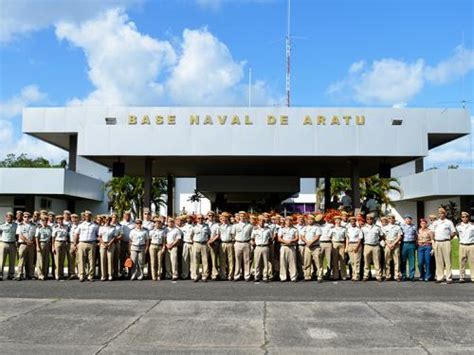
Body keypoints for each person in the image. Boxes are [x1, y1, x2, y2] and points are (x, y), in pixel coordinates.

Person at [432, 208, 456, 283]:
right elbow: (432, 232)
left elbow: (453, 232)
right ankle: (440, 277)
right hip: (438, 242)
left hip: (446, 242)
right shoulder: (435, 222)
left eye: (442, 213)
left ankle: (448, 278)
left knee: (448, 260)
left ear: (445, 214)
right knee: (439, 261)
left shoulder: (449, 222)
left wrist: (449, 238)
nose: (440, 214)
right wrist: (434, 240)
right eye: (439, 213)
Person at [74, 210, 99, 282]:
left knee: (91, 260)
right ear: (84, 216)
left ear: (91, 216)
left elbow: (98, 235)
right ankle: (82, 275)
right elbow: (76, 234)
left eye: (89, 215)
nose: (87, 217)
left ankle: (90, 276)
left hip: (92, 243)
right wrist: (75, 244)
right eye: (86, 215)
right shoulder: (81, 225)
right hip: (82, 243)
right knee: (81, 260)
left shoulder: (95, 225)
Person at [361, 213, 384, 282]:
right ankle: (366, 276)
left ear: (373, 220)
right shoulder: (363, 228)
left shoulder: (377, 228)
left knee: (377, 262)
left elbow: (381, 236)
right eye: (368, 219)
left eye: (371, 219)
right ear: (366, 220)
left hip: (376, 246)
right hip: (367, 246)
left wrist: (377, 241)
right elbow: (361, 237)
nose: (369, 220)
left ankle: (378, 276)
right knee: (366, 262)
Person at [232, 211, 253, 281]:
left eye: (244, 216)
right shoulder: (235, 226)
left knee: (246, 260)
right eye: (241, 216)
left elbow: (251, 235)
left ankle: (246, 276)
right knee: (237, 260)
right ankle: (236, 275)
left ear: (246, 217)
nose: (242, 217)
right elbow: (233, 235)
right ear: (239, 217)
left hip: (246, 243)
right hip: (238, 243)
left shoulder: (249, 226)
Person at [15, 212, 36, 280]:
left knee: (30, 260)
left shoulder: (33, 225)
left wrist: (32, 241)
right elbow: (20, 235)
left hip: (31, 245)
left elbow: (34, 235)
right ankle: (19, 275)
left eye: (28, 217)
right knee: (21, 260)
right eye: (25, 217)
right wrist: (27, 241)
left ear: (30, 218)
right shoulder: (20, 225)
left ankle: (29, 274)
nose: (26, 218)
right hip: (23, 244)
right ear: (23, 217)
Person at [301, 214, 322, 282]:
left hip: (315, 247)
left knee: (318, 262)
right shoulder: (305, 228)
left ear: (313, 220)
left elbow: (317, 236)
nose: (310, 220)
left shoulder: (317, 227)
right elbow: (302, 236)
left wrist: (311, 242)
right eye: (308, 219)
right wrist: (307, 242)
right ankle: (307, 276)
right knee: (307, 262)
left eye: (311, 219)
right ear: (307, 220)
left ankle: (319, 276)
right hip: (307, 247)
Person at [190, 214, 211, 282]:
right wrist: (195, 242)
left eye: (202, 218)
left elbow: (209, 235)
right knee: (195, 261)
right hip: (196, 244)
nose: (200, 219)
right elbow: (191, 236)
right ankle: (196, 276)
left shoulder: (206, 227)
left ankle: (204, 276)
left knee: (205, 261)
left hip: (204, 244)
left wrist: (207, 241)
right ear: (196, 219)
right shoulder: (194, 227)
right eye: (199, 218)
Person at [251, 215, 272, 282]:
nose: (262, 222)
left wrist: (268, 244)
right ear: (258, 222)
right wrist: (253, 243)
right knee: (257, 263)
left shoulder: (268, 230)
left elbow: (270, 239)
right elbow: (252, 238)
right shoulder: (255, 229)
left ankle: (265, 276)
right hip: (258, 247)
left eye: (263, 221)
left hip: (265, 246)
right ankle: (256, 276)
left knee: (266, 263)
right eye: (260, 221)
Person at [278, 216, 298, 282]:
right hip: (284, 246)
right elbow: (279, 238)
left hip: (292, 247)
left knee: (292, 263)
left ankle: (293, 277)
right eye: (287, 221)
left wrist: (292, 240)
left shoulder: (294, 229)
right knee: (283, 262)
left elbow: (297, 238)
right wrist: (285, 241)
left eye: (290, 221)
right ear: (285, 221)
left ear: (292, 222)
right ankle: (283, 277)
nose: (288, 222)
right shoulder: (281, 229)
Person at [382, 215, 402, 281]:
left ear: (394, 219)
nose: (391, 219)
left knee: (397, 261)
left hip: (395, 243)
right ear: (388, 219)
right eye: (389, 218)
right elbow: (383, 237)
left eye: (392, 218)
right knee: (387, 260)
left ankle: (397, 276)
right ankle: (388, 275)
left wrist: (393, 243)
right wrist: (388, 244)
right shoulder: (385, 227)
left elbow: (399, 236)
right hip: (388, 243)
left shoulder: (398, 227)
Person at [98, 215, 117, 281]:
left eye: (109, 220)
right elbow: (99, 237)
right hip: (103, 244)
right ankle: (103, 275)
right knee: (103, 259)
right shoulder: (101, 227)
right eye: (106, 220)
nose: (108, 221)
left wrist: (109, 244)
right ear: (104, 220)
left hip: (110, 244)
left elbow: (114, 237)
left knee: (110, 260)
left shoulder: (113, 228)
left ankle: (110, 275)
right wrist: (103, 244)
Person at [456, 211, 474, 283]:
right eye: (463, 217)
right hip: (462, 245)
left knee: (472, 262)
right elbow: (457, 235)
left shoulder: (472, 225)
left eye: (466, 217)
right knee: (462, 262)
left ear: (468, 217)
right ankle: (461, 277)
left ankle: (473, 277)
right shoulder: (458, 226)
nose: (465, 218)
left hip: (471, 245)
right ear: (461, 218)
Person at [0, 212, 18, 281]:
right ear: (6, 218)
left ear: (12, 218)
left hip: (12, 244)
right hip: (3, 244)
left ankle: (11, 275)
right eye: (8, 217)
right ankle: (0, 275)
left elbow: (17, 234)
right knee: (1, 260)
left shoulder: (15, 225)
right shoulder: (2, 225)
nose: (9, 218)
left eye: (10, 217)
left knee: (12, 260)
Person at [400, 215, 417, 281]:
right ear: (405, 220)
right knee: (403, 260)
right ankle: (404, 275)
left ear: (411, 220)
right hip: (404, 244)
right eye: (407, 219)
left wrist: (415, 244)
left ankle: (411, 276)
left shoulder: (414, 226)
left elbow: (416, 235)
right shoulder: (401, 226)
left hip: (411, 244)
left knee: (412, 261)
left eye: (409, 219)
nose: (408, 220)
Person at [345, 216, 363, 281]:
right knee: (352, 262)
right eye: (351, 221)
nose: (352, 222)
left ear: (355, 222)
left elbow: (360, 238)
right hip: (350, 245)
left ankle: (357, 275)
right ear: (350, 222)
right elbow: (347, 238)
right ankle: (353, 275)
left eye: (353, 221)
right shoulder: (348, 229)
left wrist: (357, 247)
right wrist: (346, 247)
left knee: (357, 261)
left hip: (356, 244)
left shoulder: (358, 229)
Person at [330, 215, 347, 280]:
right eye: (336, 220)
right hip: (335, 243)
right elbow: (330, 237)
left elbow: (346, 238)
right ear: (335, 221)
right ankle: (335, 275)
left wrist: (346, 246)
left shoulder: (344, 228)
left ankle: (343, 275)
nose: (338, 221)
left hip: (342, 243)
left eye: (339, 220)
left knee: (342, 260)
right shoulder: (332, 229)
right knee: (335, 260)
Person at [35, 216, 52, 280]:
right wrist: (37, 246)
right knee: (40, 260)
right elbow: (36, 237)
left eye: (46, 220)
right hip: (41, 244)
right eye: (43, 220)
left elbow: (51, 237)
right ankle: (40, 274)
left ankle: (45, 274)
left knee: (46, 260)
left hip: (47, 244)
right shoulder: (39, 228)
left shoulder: (49, 228)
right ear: (41, 221)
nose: (44, 221)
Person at [218, 212, 234, 281]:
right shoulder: (220, 227)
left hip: (230, 243)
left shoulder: (231, 226)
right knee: (222, 260)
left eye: (226, 217)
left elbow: (233, 236)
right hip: (222, 244)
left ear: (228, 218)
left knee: (231, 260)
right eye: (223, 217)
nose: (224, 219)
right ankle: (223, 275)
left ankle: (230, 275)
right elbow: (218, 236)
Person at [52, 215, 69, 280]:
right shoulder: (55, 227)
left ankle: (61, 274)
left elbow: (67, 236)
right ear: (57, 220)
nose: (60, 221)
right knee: (57, 260)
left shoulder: (66, 227)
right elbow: (53, 237)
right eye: (58, 220)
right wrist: (53, 247)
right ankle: (57, 275)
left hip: (64, 243)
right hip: (57, 243)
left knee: (62, 259)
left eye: (61, 219)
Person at [207, 211, 220, 280]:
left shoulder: (217, 225)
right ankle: (207, 273)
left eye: (212, 215)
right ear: (207, 216)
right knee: (206, 259)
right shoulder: (205, 224)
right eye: (209, 215)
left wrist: (212, 240)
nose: (210, 217)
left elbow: (218, 234)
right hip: (205, 243)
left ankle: (214, 274)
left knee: (213, 259)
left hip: (213, 243)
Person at [319, 215, 333, 280]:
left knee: (329, 260)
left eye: (321, 220)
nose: (320, 222)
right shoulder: (317, 226)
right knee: (320, 260)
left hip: (328, 243)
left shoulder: (330, 225)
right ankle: (320, 275)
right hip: (320, 243)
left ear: (323, 219)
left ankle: (328, 274)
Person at [180, 215, 194, 280]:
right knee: (185, 259)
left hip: (193, 244)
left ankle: (193, 275)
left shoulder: (195, 226)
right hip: (185, 243)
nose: (189, 219)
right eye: (188, 218)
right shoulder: (184, 227)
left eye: (190, 218)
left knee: (193, 260)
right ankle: (185, 274)